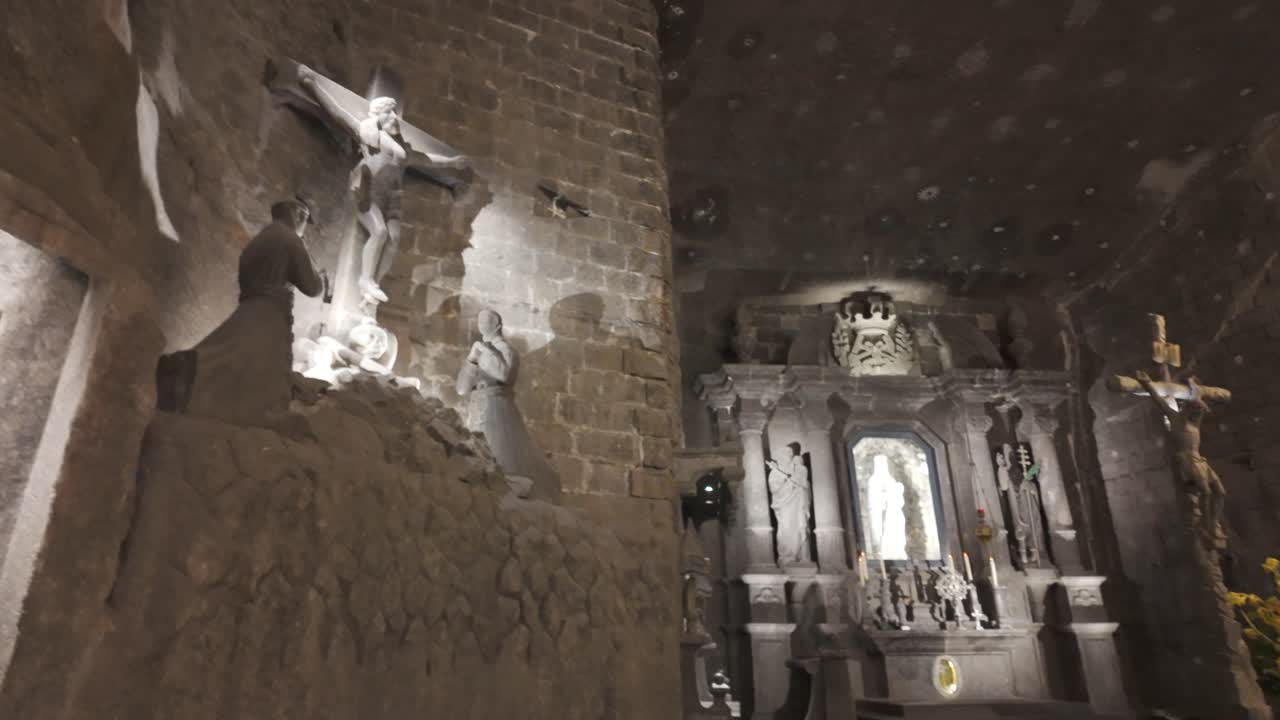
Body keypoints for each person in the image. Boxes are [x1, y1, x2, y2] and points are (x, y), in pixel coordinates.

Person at [157, 198, 323, 423]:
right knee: (258, 370)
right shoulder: (290, 239)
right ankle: (179, 377)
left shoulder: (259, 240)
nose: (305, 226)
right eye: (305, 220)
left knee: (226, 354)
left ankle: (178, 377)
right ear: (299, 215)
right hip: (270, 316)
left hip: (250, 308)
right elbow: (312, 287)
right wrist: (316, 268)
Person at [455, 310, 558, 499]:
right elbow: (461, 388)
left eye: (486, 321)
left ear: (497, 325)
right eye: (479, 321)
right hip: (477, 406)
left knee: (501, 455)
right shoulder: (477, 350)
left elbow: (505, 375)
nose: (481, 325)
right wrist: (471, 359)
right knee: (478, 454)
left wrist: (483, 350)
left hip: (497, 406)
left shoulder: (506, 350)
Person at [1135, 370, 1226, 548]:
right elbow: (1159, 400)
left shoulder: (1194, 423)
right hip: (1188, 460)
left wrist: (1194, 386)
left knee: (1221, 492)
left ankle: (1213, 521)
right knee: (1206, 492)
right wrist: (1146, 384)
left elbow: (1198, 400)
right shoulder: (1175, 418)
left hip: (1200, 460)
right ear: (1185, 408)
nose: (1195, 411)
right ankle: (1207, 525)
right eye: (1192, 408)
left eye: (1196, 410)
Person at [767, 443, 812, 565]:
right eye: (787, 455)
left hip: (798, 504)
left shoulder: (798, 469)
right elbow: (775, 490)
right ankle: (787, 556)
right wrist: (787, 483)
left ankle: (803, 557)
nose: (789, 457)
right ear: (780, 457)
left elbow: (802, 484)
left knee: (800, 527)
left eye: (790, 455)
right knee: (786, 528)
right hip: (784, 506)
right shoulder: (774, 473)